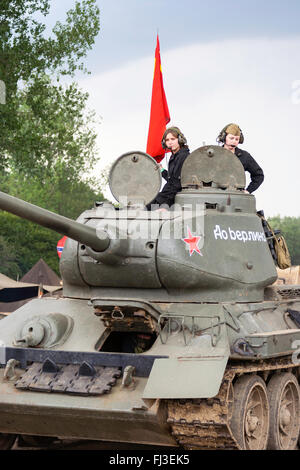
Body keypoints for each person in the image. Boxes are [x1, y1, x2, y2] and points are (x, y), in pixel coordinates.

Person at [147, 127, 190, 209]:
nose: (170, 142)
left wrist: (165, 205)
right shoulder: (175, 155)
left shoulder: (183, 156)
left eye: (173, 139)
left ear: (180, 140)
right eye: (167, 140)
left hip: (171, 197)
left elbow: (177, 185)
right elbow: (172, 179)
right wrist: (162, 170)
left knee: (145, 207)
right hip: (167, 194)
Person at [217, 123, 264, 193]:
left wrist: (248, 191)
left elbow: (258, 175)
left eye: (237, 139)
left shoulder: (244, 156)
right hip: (215, 193)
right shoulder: (215, 154)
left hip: (235, 195)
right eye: (231, 138)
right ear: (224, 137)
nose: (234, 141)